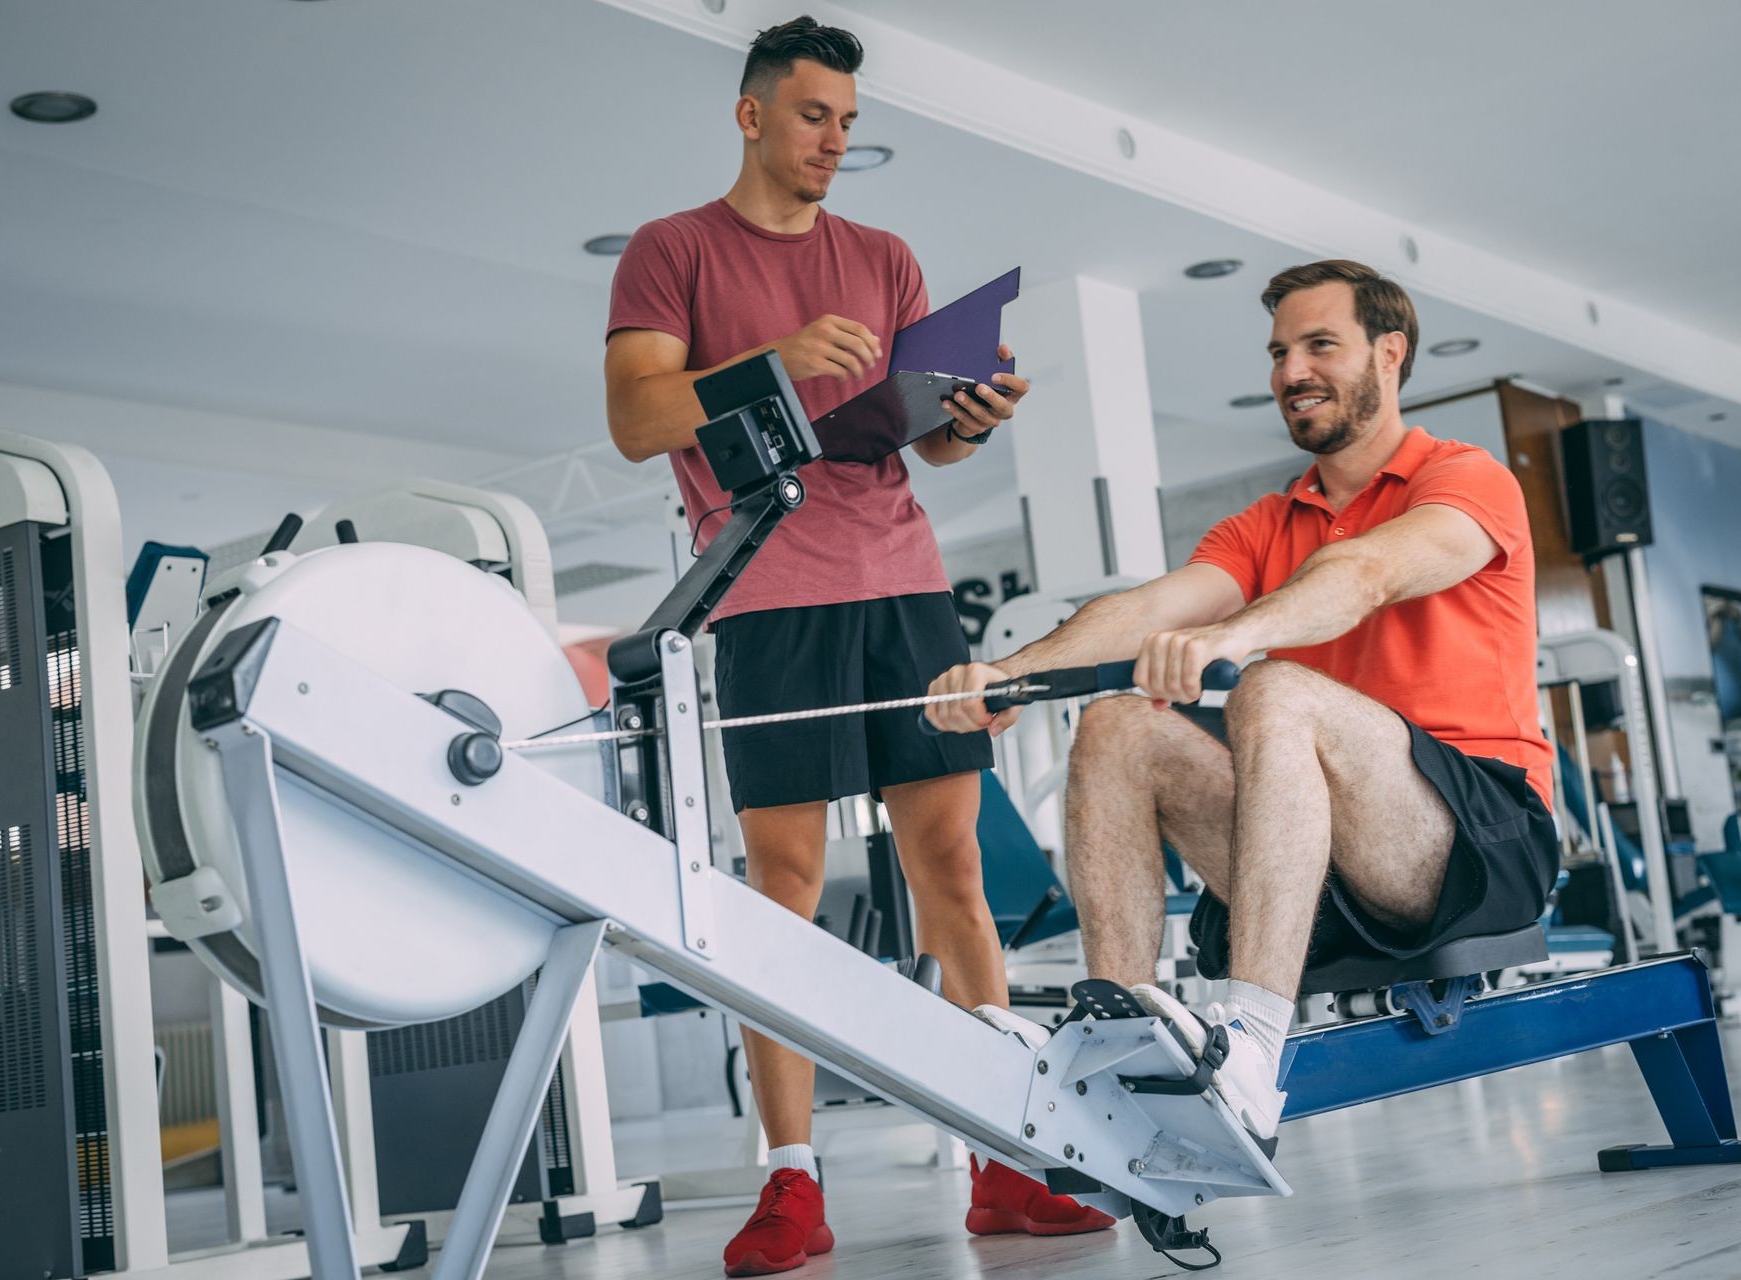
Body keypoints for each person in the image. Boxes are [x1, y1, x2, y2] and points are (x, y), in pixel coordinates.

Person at [602, 15, 1111, 1276]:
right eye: (816, 115)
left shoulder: (882, 256)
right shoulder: (673, 252)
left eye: (849, 122)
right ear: (753, 113)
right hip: (765, 588)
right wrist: (770, 358)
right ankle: (789, 1180)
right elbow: (635, 418)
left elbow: (918, 437)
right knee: (781, 885)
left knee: (953, 861)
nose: (835, 140)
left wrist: (969, 421)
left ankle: (1003, 1155)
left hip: (903, 579)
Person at [926, 258, 1558, 1149]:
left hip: (1477, 847)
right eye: (1278, 352)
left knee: (1276, 693)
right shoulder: (1266, 522)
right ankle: (1111, 1044)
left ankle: (1253, 1050)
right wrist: (1014, 672)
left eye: (1319, 345)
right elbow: (1142, 610)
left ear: (1389, 354)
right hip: (1312, 862)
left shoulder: (1464, 479)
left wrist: (1236, 636)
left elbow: (1365, 575)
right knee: (1117, 724)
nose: (1290, 371)